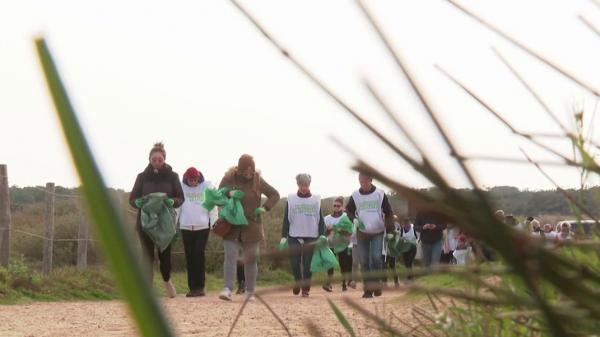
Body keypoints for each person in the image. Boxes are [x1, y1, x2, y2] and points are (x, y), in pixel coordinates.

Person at [218, 154, 280, 302]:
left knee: (251, 259)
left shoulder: (257, 180)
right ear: (239, 169)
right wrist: (229, 192)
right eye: (245, 171)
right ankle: (227, 289)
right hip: (230, 225)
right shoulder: (228, 178)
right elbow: (218, 193)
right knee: (230, 256)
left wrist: (265, 208)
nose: (248, 174)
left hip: (252, 225)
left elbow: (274, 194)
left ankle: (250, 291)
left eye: (251, 171)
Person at [129, 142, 184, 298]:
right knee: (146, 256)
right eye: (154, 159)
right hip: (145, 223)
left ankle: (167, 281)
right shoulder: (141, 177)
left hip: (165, 223)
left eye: (160, 159)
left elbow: (181, 197)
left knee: (165, 255)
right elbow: (132, 199)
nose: (157, 162)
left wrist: (173, 201)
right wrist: (137, 203)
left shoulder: (173, 176)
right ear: (149, 159)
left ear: (164, 159)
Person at [345, 172, 394, 298]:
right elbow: (349, 210)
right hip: (362, 233)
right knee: (364, 261)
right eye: (360, 182)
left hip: (377, 231)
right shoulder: (355, 195)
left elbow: (388, 212)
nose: (363, 184)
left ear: (371, 180)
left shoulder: (380, 194)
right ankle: (368, 290)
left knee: (376, 258)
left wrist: (389, 231)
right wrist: (353, 219)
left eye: (365, 182)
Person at [281, 173, 324, 297]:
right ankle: (297, 281)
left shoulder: (316, 199)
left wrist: (322, 235)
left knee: (307, 264)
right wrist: (283, 236)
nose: (303, 187)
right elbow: (286, 218)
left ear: (309, 185)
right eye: (301, 185)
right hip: (294, 234)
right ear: (298, 185)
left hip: (311, 234)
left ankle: (305, 288)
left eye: (305, 185)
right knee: (294, 262)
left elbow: (320, 219)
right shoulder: (291, 199)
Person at [178, 166, 217, 297]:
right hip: (186, 226)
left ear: (199, 177)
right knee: (189, 256)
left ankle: (200, 287)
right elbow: (177, 208)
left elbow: (212, 206)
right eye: (190, 180)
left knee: (198, 254)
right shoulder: (181, 188)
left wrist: (214, 223)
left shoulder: (206, 187)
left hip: (202, 227)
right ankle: (192, 287)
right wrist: (173, 224)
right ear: (186, 178)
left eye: (195, 179)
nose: (193, 182)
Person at [323, 196, 352, 292]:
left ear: (342, 207)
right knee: (330, 263)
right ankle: (328, 283)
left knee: (343, 264)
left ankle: (344, 284)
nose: (336, 207)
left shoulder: (346, 217)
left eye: (338, 206)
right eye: (334, 205)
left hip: (343, 244)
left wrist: (337, 229)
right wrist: (327, 231)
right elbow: (324, 233)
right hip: (330, 244)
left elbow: (349, 232)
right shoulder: (327, 218)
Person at [381, 216, 400, 288]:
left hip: (391, 250)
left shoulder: (395, 226)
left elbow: (397, 235)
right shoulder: (382, 226)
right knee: (384, 266)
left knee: (392, 266)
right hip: (384, 250)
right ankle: (384, 282)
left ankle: (396, 281)